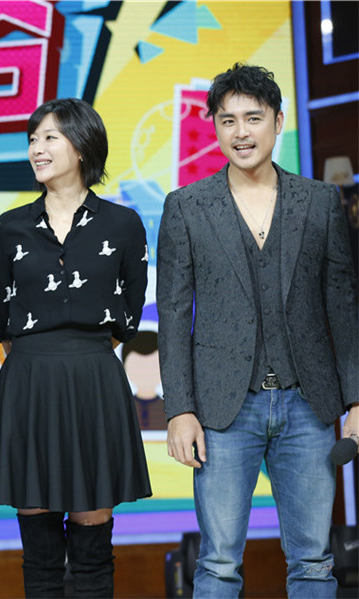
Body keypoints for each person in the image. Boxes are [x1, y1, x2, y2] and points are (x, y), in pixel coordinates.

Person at [157, 63, 358, 597]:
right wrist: (179, 409)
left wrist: (356, 399)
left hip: (309, 404)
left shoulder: (320, 201)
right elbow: (173, 315)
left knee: (313, 561)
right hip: (223, 408)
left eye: (253, 118)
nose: (240, 132)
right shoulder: (186, 207)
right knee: (219, 562)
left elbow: (343, 307)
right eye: (228, 121)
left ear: (278, 122)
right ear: (215, 128)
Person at [0, 98, 152, 598]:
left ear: (82, 145)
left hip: (94, 379)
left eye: (50, 137)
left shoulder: (123, 224)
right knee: (40, 555)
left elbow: (130, 312)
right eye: (33, 139)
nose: (37, 148)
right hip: (29, 381)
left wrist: (83, 346)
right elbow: (2, 317)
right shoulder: (9, 226)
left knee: (94, 551)